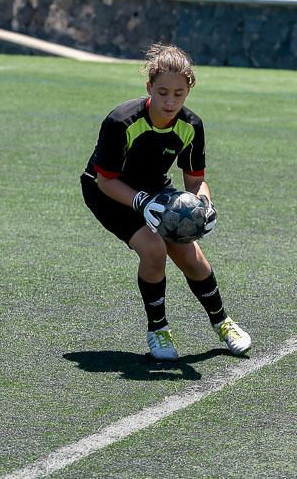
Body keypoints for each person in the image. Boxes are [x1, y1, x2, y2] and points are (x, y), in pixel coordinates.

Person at [80, 42, 251, 361]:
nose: (170, 101)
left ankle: (223, 322)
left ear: (188, 91)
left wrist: (205, 204)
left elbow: (195, 179)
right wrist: (142, 203)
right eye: (162, 92)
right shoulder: (122, 121)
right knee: (154, 249)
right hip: (108, 191)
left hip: (155, 189)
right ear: (149, 88)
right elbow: (104, 179)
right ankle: (158, 330)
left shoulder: (192, 126)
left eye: (178, 93)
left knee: (190, 255)